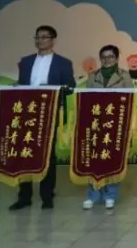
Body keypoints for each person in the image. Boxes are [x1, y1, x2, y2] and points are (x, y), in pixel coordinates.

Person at [9, 25, 76, 211]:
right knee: (24, 153)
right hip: (27, 114)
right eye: (37, 37)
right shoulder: (26, 61)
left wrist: (53, 89)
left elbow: (70, 87)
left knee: (47, 154)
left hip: (49, 113)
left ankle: (47, 195)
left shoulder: (63, 63)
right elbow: (22, 84)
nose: (40, 40)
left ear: (53, 40)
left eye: (44, 37)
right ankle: (24, 196)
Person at [82, 45, 134, 210]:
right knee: (94, 159)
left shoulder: (124, 76)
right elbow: (86, 99)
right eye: (104, 57)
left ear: (116, 58)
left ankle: (110, 195)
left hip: (115, 123)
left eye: (110, 56)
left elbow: (130, 99)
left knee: (113, 158)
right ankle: (93, 195)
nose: (107, 60)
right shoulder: (93, 76)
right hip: (96, 123)